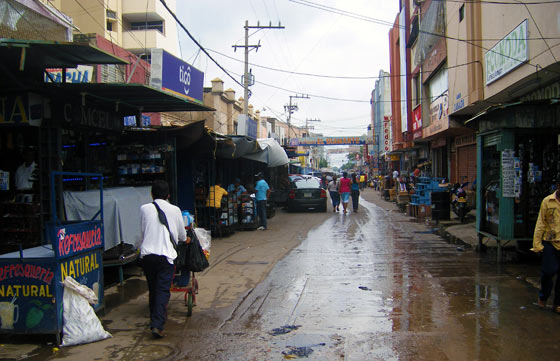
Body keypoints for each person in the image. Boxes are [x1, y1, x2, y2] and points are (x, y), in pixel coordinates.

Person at [139, 180, 187, 339]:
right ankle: (157, 324)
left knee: (153, 288)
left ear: (151, 194)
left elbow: (143, 231)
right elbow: (182, 236)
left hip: (147, 255)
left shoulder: (144, 209)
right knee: (162, 290)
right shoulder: (175, 210)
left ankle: (154, 318)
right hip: (166, 256)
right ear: (168, 195)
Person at [532, 176, 560, 313]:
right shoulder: (548, 201)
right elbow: (541, 223)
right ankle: (543, 298)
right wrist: (537, 244)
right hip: (550, 243)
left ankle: (557, 304)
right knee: (548, 272)